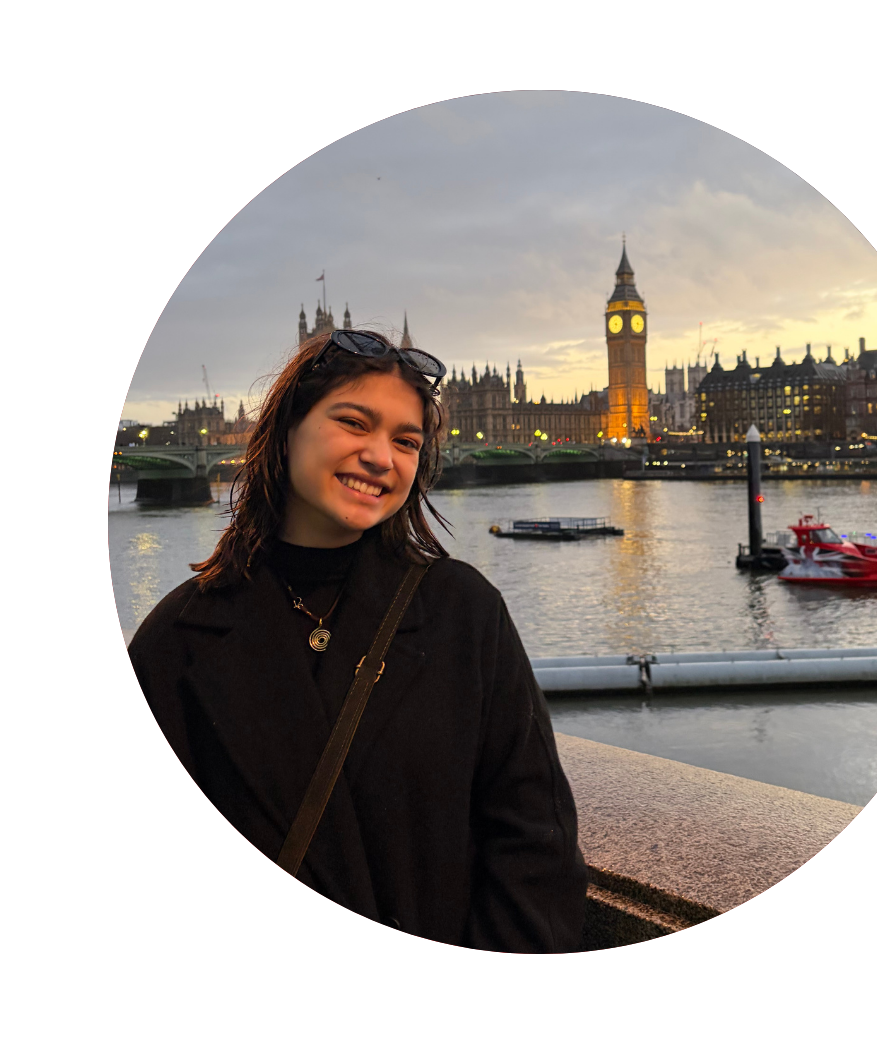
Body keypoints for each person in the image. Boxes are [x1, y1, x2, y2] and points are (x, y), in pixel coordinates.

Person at [128, 329, 588, 952]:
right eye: (354, 422)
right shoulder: (177, 640)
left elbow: (537, 849)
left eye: (406, 441)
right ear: (287, 427)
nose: (381, 457)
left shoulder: (465, 614)